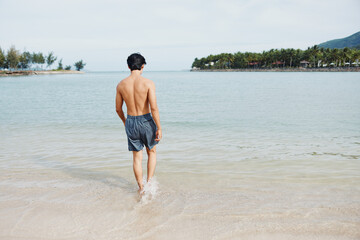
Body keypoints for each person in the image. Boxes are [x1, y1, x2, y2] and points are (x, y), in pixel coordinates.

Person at [115, 53, 162, 193]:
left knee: (137, 156)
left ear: (128, 66)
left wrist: (125, 121)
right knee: (152, 151)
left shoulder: (121, 84)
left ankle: (140, 188)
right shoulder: (148, 83)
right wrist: (159, 127)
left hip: (130, 121)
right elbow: (153, 107)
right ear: (142, 66)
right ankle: (149, 184)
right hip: (146, 120)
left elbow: (118, 109)